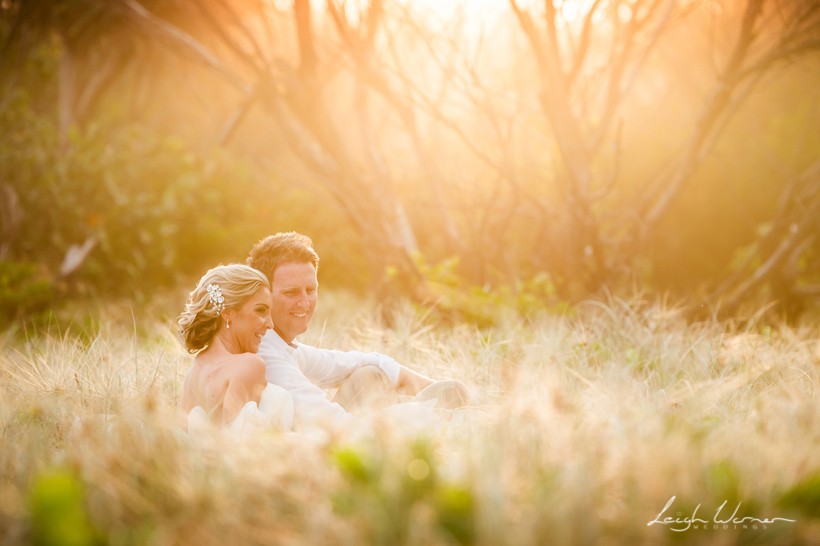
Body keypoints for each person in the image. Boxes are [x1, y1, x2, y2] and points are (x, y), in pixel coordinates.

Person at [247, 232, 469, 431]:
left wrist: (432, 389)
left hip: (325, 435)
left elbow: (362, 361)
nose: (305, 303)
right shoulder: (265, 354)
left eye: (311, 290)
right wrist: (419, 413)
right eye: (291, 292)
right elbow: (329, 421)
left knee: (370, 373)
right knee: (434, 405)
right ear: (263, 295)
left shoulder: (278, 343)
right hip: (304, 454)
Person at [177, 264, 293, 433]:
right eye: (261, 310)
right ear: (227, 313)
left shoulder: (195, 371)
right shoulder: (249, 364)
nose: (270, 324)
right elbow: (239, 445)